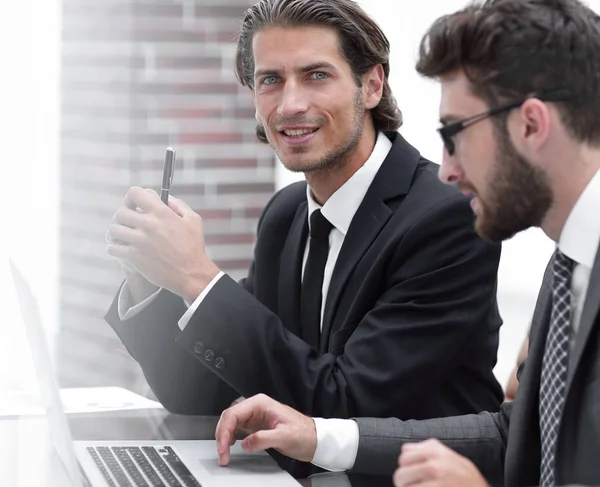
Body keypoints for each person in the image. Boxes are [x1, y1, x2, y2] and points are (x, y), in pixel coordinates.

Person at [103, 0, 503, 473]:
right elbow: (202, 394)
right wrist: (150, 281)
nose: (290, 104)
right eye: (270, 80)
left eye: (316, 75)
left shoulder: (447, 216)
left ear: (372, 85)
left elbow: (343, 404)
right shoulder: (285, 214)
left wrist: (197, 278)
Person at [213, 0, 600, 485]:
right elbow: (516, 437)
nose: (449, 169)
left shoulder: (453, 221)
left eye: (456, 133)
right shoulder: (569, 265)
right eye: (270, 80)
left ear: (531, 124)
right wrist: (317, 436)